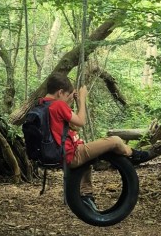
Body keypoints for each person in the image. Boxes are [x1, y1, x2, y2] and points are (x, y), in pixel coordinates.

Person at [43, 74, 150, 210]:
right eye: (67, 95)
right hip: (71, 155)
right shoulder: (58, 105)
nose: (67, 99)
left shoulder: (43, 104)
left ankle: (87, 196)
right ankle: (134, 154)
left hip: (59, 155)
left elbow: (73, 125)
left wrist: (71, 101)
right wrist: (82, 98)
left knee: (86, 155)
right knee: (115, 141)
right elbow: (81, 122)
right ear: (60, 92)